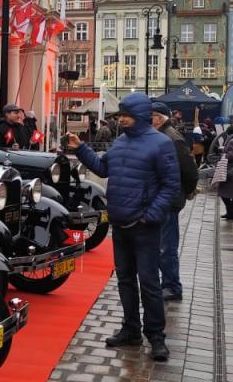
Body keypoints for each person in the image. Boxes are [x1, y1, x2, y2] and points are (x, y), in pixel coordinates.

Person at [65, 93, 180, 362]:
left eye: (126, 115)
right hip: (120, 223)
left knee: (149, 283)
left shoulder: (161, 143)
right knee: (125, 280)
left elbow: (170, 186)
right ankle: (131, 329)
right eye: (121, 115)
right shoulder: (120, 141)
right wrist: (80, 148)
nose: (121, 119)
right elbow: (103, 168)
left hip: (144, 226)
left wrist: (150, 215)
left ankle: (156, 337)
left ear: (139, 115)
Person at [150, 102, 199, 303]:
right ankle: (166, 283)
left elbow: (189, 170)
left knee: (166, 245)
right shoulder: (160, 135)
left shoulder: (171, 138)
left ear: (160, 118)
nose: (148, 119)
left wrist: (188, 191)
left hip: (169, 199)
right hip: (161, 197)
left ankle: (172, 286)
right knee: (161, 244)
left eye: (151, 116)